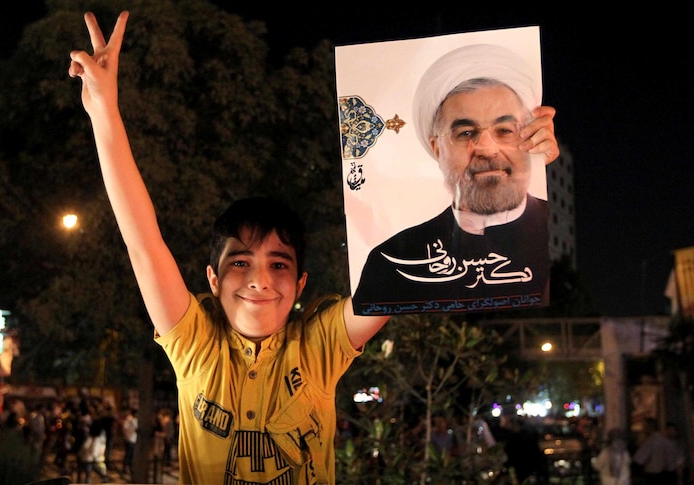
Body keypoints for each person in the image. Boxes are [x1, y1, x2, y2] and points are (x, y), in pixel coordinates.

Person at [67, 11, 558, 483]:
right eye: (240, 261)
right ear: (212, 280)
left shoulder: (320, 347)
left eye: (279, 264)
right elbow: (141, 238)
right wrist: (104, 113)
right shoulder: (195, 346)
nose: (260, 279)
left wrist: (523, 161)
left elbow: (408, 276)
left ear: (300, 281)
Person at [352, 44, 558, 315]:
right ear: (438, 149)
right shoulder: (393, 259)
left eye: (505, 130)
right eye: (465, 133)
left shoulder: (556, 233)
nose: (486, 148)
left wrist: (546, 170)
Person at [632, 419, 681, 485]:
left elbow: (638, 460)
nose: (643, 430)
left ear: (649, 427)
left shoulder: (651, 441)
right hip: (669, 476)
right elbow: (676, 462)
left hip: (653, 477)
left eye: (645, 427)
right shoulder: (669, 442)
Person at [121, 408, 137, 476]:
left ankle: (130, 467)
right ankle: (125, 468)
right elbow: (125, 428)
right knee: (128, 454)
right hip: (130, 439)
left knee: (131, 455)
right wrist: (128, 435)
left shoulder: (134, 419)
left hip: (133, 439)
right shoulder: (130, 419)